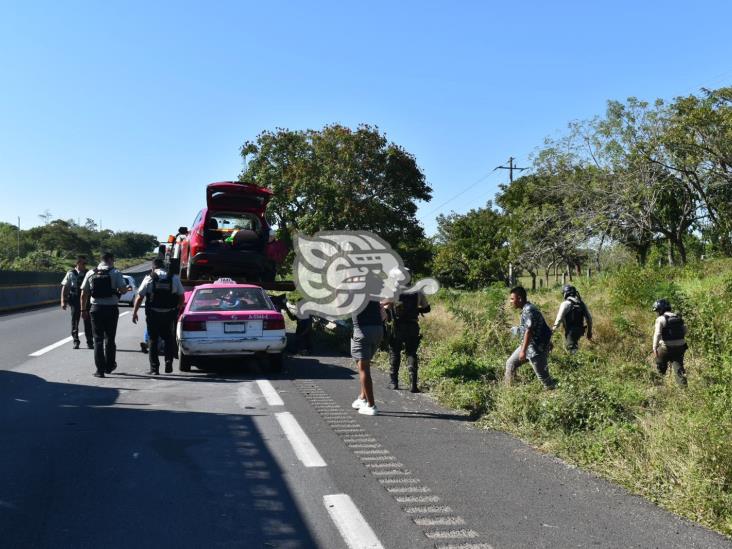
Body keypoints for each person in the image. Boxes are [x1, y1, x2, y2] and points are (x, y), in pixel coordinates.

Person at [79, 252, 129, 378]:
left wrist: (83, 310)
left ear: (101, 260)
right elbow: (123, 290)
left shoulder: (91, 273)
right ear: (111, 260)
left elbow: (84, 294)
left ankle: (99, 370)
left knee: (98, 340)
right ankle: (110, 365)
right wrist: (120, 289)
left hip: (95, 309)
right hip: (111, 309)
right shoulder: (116, 272)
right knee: (110, 339)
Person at [132, 258, 185, 375]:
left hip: (153, 314)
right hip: (169, 313)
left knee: (153, 339)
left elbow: (140, 296)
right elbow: (182, 296)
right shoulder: (174, 278)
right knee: (168, 338)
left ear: (153, 267)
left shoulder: (149, 278)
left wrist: (135, 312)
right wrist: (177, 309)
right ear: (164, 267)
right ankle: (168, 362)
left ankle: (154, 368)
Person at [505, 286, 557, 389]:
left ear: (519, 298)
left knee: (545, 379)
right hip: (530, 346)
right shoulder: (527, 309)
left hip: (536, 349)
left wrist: (523, 351)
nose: (510, 301)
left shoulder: (529, 310)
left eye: (512, 299)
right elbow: (540, 326)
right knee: (510, 363)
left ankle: (554, 393)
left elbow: (529, 331)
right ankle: (509, 390)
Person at [385, 285, 431, 392]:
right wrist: (416, 309)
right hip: (413, 326)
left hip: (397, 327)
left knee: (395, 352)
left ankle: (394, 382)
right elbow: (427, 308)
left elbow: (386, 308)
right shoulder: (418, 291)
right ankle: (413, 384)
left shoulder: (392, 290)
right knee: (411, 353)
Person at [351, 299, 386, 416]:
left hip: (362, 330)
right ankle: (362, 398)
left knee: (363, 368)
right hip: (378, 330)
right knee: (363, 363)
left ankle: (371, 405)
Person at [652, 299, 688, 386]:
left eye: (657, 310)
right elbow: (685, 330)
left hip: (666, 347)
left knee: (659, 362)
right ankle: (684, 389)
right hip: (680, 347)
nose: (657, 313)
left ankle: (660, 383)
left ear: (661, 309)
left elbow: (657, 334)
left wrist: (655, 347)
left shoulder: (660, 319)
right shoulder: (678, 317)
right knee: (679, 369)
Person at [60, 255, 93, 350]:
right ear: (78, 263)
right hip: (74, 299)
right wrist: (63, 301)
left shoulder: (88, 273)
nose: (85, 265)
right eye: (83, 263)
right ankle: (76, 341)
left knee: (88, 321)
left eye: (86, 263)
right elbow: (65, 287)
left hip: (86, 299)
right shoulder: (70, 273)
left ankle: (90, 342)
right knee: (75, 321)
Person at [552, 284, 593, 353]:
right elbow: (589, 319)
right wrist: (589, 332)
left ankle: (575, 362)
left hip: (570, 332)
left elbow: (558, 320)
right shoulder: (581, 303)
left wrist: (553, 331)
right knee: (575, 347)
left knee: (571, 351)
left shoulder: (565, 304)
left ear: (565, 293)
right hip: (580, 330)